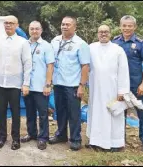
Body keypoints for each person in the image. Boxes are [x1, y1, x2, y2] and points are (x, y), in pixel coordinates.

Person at [0, 15, 32, 150]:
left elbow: (27, 64)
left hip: (15, 84)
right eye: (6, 23)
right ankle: (2, 137)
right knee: (1, 112)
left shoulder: (23, 42)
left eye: (11, 23)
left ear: (16, 25)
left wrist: (26, 83)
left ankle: (16, 139)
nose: (8, 25)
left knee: (15, 112)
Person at [112, 15, 143, 152]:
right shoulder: (115, 42)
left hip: (136, 85)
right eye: (124, 25)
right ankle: (119, 141)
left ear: (134, 27)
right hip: (119, 86)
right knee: (119, 113)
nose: (127, 28)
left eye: (130, 26)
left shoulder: (141, 43)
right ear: (120, 26)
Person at [48, 16, 90, 151]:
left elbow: (85, 66)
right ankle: (61, 135)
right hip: (58, 83)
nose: (64, 26)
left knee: (74, 113)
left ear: (75, 27)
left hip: (72, 84)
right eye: (63, 24)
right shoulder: (55, 41)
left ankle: (76, 139)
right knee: (60, 111)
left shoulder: (80, 44)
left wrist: (81, 86)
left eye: (68, 24)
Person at [87, 25, 130, 152]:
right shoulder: (91, 48)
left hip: (113, 90)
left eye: (106, 32)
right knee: (96, 114)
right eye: (100, 32)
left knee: (113, 115)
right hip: (95, 89)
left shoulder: (118, 50)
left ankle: (114, 143)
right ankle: (95, 141)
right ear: (97, 33)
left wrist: (122, 91)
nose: (103, 34)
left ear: (110, 34)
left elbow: (123, 71)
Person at [20, 21, 54, 150]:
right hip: (27, 86)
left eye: (37, 29)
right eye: (32, 28)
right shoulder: (24, 45)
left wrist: (48, 84)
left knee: (43, 113)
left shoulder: (46, 46)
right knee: (30, 112)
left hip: (41, 86)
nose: (34, 31)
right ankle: (31, 134)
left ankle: (43, 137)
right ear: (28, 30)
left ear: (41, 30)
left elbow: (50, 66)